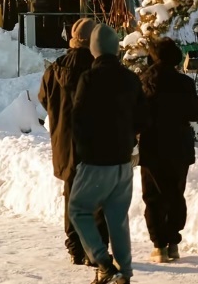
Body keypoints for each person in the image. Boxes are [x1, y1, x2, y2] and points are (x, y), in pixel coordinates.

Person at [69, 24, 148, 284]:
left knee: (79, 210)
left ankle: (103, 261)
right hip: (123, 161)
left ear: (94, 50)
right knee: (117, 217)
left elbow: (77, 118)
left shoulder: (89, 79)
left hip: (95, 159)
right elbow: (142, 118)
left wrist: (82, 150)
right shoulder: (131, 79)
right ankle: (124, 271)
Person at [40, 19, 108, 267]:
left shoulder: (54, 69)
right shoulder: (99, 70)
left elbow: (44, 99)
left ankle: (75, 249)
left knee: (72, 195)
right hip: (95, 144)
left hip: (64, 143)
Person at [139, 38, 198, 263]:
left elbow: (138, 116)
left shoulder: (145, 81)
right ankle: (173, 242)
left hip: (152, 145)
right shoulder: (185, 83)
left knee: (153, 196)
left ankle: (159, 246)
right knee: (175, 193)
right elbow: (195, 113)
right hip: (179, 146)